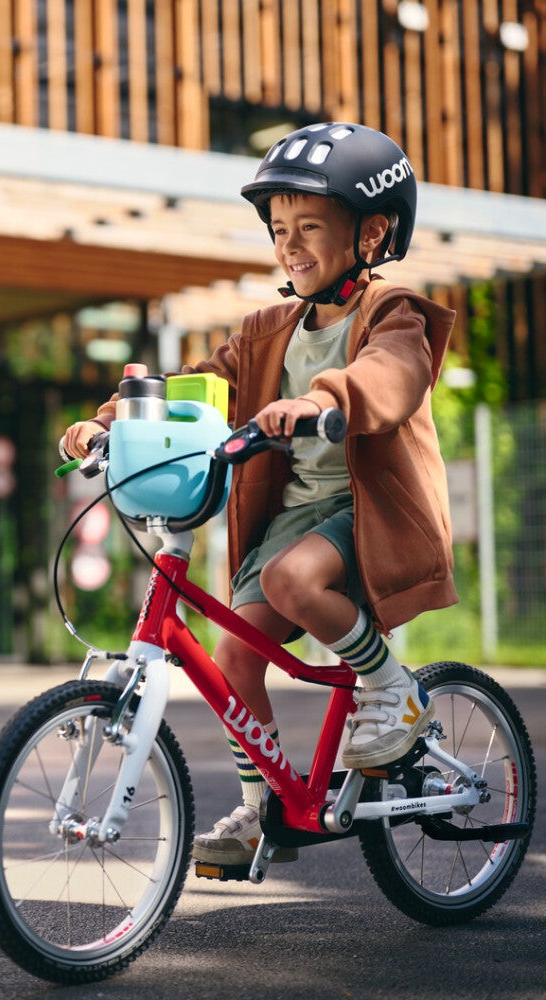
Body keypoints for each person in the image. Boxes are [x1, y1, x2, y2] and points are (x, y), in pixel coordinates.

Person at [61, 123, 458, 867]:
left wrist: (321, 398)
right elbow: (191, 386)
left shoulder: (392, 313)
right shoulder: (266, 331)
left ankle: (392, 688)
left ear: (372, 233)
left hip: (366, 514)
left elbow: (393, 377)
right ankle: (261, 811)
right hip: (295, 519)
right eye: (280, 229)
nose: (290, 244)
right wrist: (109, 420)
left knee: (291, 579)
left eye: (310, 226)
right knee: (234, 660)